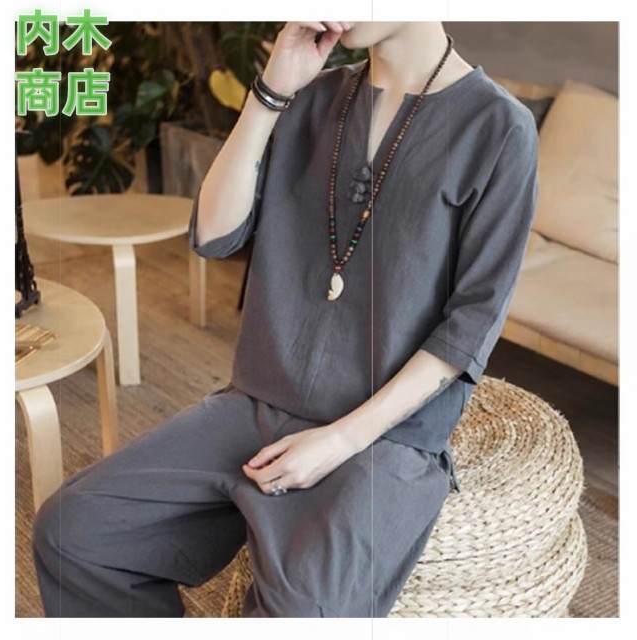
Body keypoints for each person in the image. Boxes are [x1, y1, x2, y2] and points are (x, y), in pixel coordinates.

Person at [31, 21, 539, 617]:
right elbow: (214, 235)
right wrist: (270, 93)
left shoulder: (498, 128)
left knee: (303, 608)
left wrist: (341, 439)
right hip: (257, 400)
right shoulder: (310, 97)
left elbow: (470, 325)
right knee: (73, 531)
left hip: (385, 438)